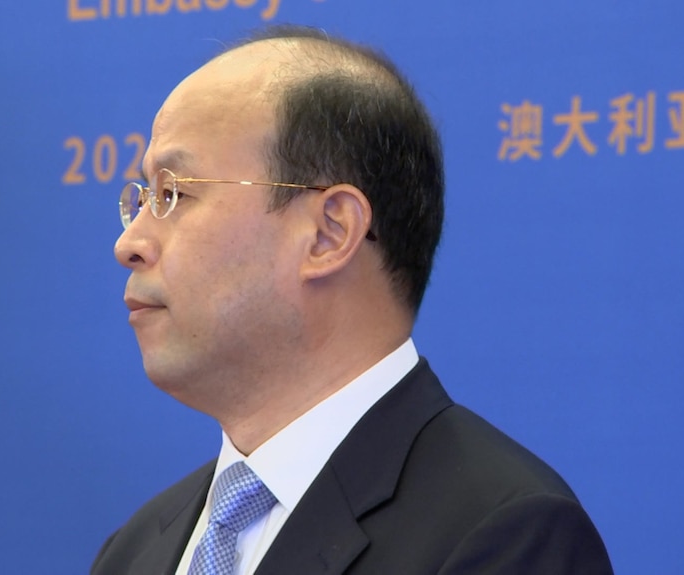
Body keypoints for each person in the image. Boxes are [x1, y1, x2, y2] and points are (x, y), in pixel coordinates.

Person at [92, 25, 613, 575]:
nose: (130, 244)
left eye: (175, 194)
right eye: (144, 198)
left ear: (329, 234)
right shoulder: (134, 551)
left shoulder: (504, 535)